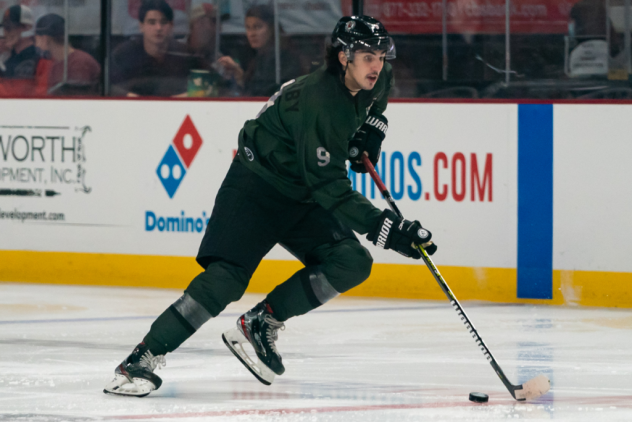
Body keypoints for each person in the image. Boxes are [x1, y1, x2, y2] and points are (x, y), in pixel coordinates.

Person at [103, 15, 437, 397]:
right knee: (226, 279)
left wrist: (369, 138)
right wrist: (389, 230)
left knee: (351, 261)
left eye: (381, 55)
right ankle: (139, 361)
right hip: (256, 186)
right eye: (366, 56)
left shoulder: (379, 78)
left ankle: (261, 322)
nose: (376, 65)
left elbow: (377, 108)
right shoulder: (320, 102)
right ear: (343, 57)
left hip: (301, 192)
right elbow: (330, 187)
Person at [110, 0, 196, 97]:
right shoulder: (123, 54)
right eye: (152, 22)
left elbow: (208, 82)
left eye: (163, 22)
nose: (158, 28)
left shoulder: (186, 54)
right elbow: (109, 87)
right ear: (141, 26)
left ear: (171, 25)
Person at [217, 4, 301, 96]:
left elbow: (266, 93)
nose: (252, 33)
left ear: (271, 29)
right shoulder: (256, 59)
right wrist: (239, 76)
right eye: (248, 28)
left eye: (257, 27)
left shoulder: (284, 60)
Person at [34, 13, 101, 95]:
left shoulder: (80, 63)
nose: (36, 44)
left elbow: (74, 101)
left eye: (36, 39)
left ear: (45, 39)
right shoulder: (56, 62)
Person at [0, 4, 49, 96]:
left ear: (27, 28)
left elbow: (22, 94)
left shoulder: (40, 59)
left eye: (9, 27)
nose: (5, 33)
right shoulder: (9, 60)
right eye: (5, 28)